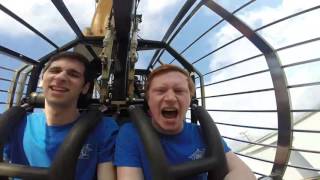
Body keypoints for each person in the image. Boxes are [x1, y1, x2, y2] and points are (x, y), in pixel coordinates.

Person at [114, 64, 256, 180]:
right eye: (161, 90)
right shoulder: (130, 134)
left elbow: (244, 173)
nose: (170, 97)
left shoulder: (203, 132)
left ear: (189, 100)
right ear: (149, 100)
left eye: (179, 90)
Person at [4, 51, 118, 180]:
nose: (60, 78)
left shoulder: (103, 127)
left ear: (85, 88)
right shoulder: (14, 124)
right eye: (55, 71)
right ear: (42, 80)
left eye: (73, 74)